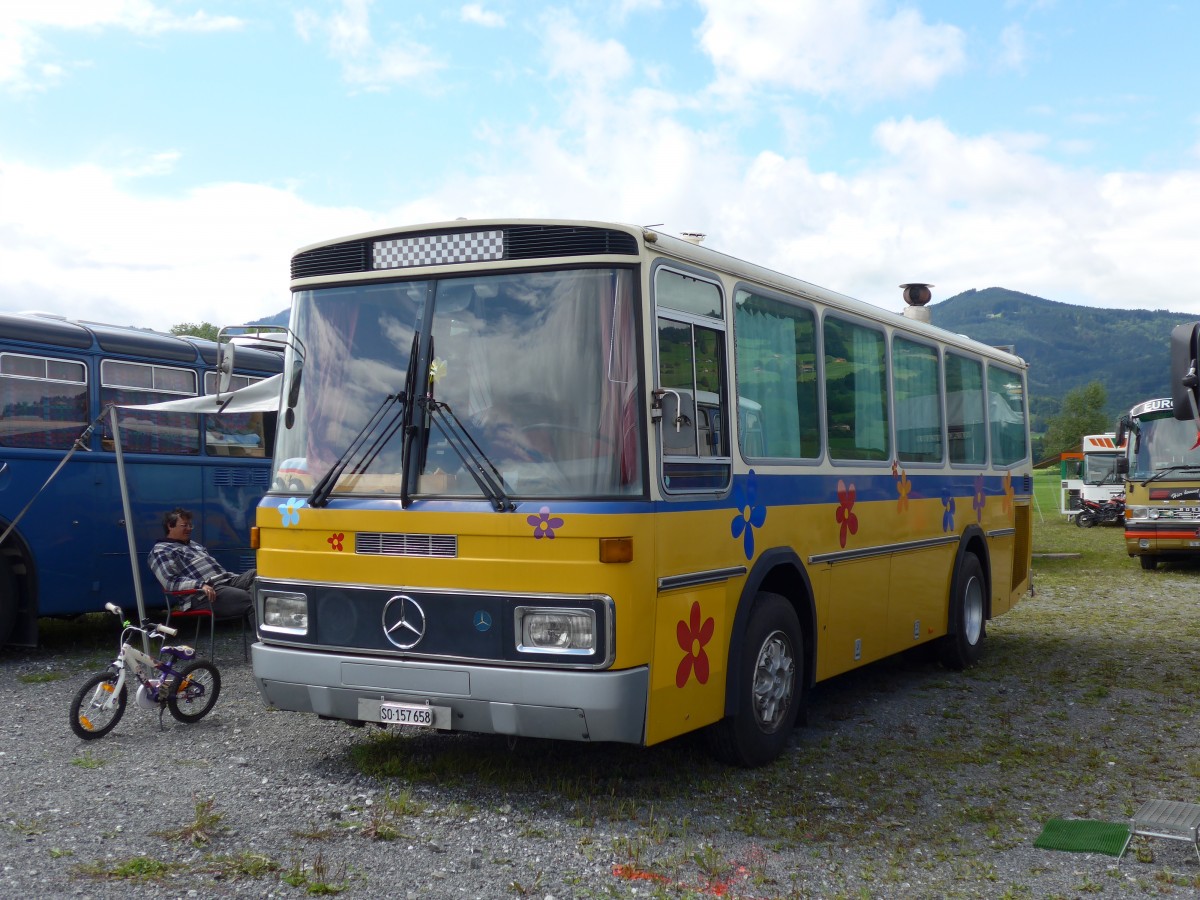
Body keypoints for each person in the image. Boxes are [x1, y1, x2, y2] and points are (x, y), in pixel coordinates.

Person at [148, 507, 255, 621]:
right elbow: (170, 582)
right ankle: (265, 637)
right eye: (184, 525)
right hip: (202, 594)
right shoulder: (161, 550)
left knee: (259, 576)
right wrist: (200, 585)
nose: (189, 529)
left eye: (190, 525)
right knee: (256, 601)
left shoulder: (193, 544)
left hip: (226, 581)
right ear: (170, 525)